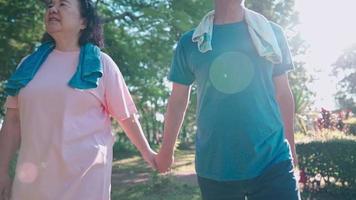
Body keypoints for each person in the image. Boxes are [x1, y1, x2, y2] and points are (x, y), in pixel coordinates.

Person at [0, 0, 156, 199]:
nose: (53, 9)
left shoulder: (101, 64)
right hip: (31, 187)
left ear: (83, 21)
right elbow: (12, 122)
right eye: (49, 5)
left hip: (85, 185)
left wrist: (149, 154)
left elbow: (126, 117)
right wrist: (2, 171)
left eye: (63, 4)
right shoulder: (27, 65)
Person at [155, 0, 301, 199]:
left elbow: (283, 93)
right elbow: (178, 101)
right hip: (215, 166)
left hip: (273, 161)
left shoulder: (271, 34)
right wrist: (166, 150)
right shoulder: (191, 42)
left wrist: (291, 146)